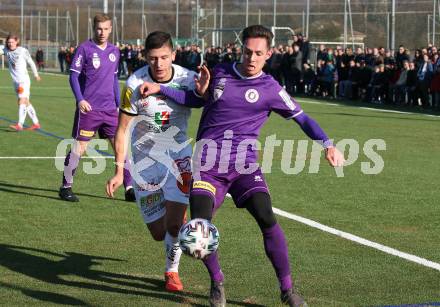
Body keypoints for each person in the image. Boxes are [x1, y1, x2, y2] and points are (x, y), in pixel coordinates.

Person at [139, 25, 345, 307]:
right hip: (208, 166)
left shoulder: (271, 88)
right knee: (201, 226)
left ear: (268, 54)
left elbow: (302, 118)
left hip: (244, 167)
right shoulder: (220, 72)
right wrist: (163, 89)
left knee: (266, 217)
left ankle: (287, 290)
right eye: (247, 52)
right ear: (241, 49)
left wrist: (327, 144)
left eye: (258, 53)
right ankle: (217, 282)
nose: (251, 58)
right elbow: (195, 99)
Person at [106, 31, 204, 292]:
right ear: (145, 57)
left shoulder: (188, 78)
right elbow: (122, 129)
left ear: (173, 54)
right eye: (152, 59)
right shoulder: (135, 82)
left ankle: (172, 272)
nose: (159, 64)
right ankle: (176, 231)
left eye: (164, 57)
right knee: (159, 232)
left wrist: (205, 89)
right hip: (145, 163)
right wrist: (119, 172)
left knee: (173, 223)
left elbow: (206, 101)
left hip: (179, 157)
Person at [59, 13, 133, 202]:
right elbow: (73, 76)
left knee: (120, 147)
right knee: (80, 147)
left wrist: (119, 105)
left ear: (110, 29)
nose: (102, 32)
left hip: (110, 110)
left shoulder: (115, 51)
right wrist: (80, 99)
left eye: (106, 29)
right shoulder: (84, 49)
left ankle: (130, 188)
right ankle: (65, 187)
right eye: (99, 28)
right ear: (94, 28)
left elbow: (115, 79)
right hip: (89, 109)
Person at [0, 34, 41, 131]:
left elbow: (31, 62)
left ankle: (20, 124)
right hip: (15, 81)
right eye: (9, 42)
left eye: (12, 42)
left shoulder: (22, 50)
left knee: (22, 100)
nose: (10, 44)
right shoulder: (5, 49)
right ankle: (36, 123)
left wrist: (36, 75)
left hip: (24, 80)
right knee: (25, 102)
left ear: (16, 42)